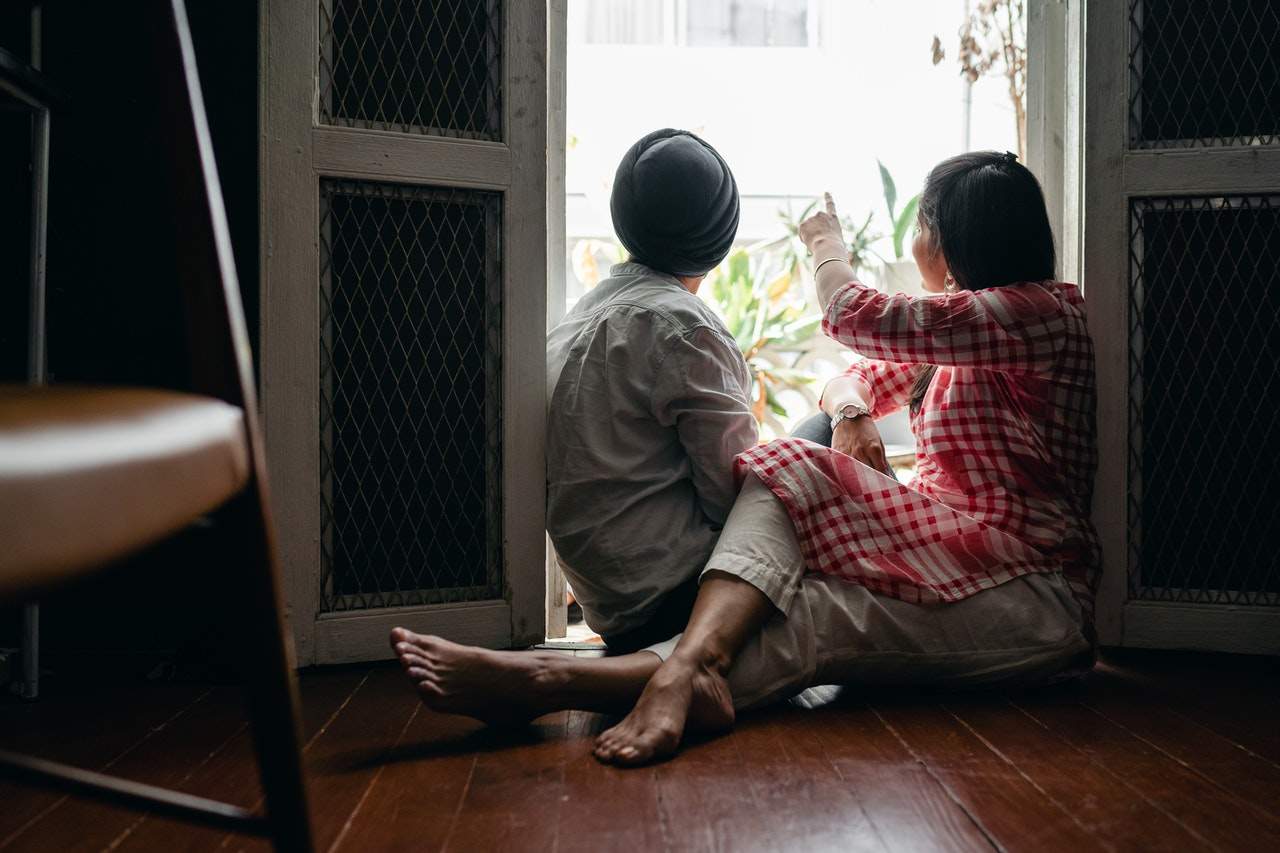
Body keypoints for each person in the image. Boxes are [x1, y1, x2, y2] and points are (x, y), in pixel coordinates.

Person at [390, 151, 1100, 767]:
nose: (915, 238)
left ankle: (569, 679)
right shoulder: (962, 330)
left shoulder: (1044, 314)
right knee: (797, 507)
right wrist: (850, 412)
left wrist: (825, 245)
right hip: (953, 557)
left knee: (805, 553)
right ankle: (627, 677)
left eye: (922, 223)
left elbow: (853, 315)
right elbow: (850, 376)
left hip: (1032, 590)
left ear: (949, 242)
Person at [544, 127, 756, 652]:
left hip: (613, 612)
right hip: (686, 602)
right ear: (719, 238)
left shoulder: (575, 321)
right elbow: (734, 498)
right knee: (816, 440)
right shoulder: (686, 329)